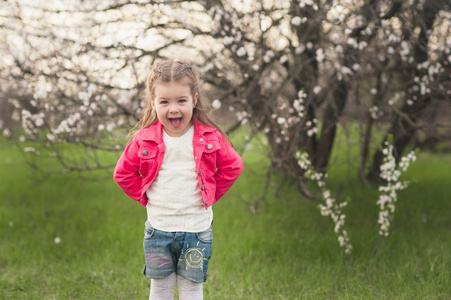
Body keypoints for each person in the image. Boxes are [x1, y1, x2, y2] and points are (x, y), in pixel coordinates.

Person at [113, 59, 243, 300]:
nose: (173, 109)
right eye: (164, 102)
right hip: (159, 229)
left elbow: (233, 166)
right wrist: (145, 197)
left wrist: (210, 194)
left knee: (191, 288)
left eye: (181, 101)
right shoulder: (144, 139)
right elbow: (122, 174)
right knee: (160, 289)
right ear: (153, 104)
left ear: (194, 100)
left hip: (196, 229)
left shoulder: (209, 137)